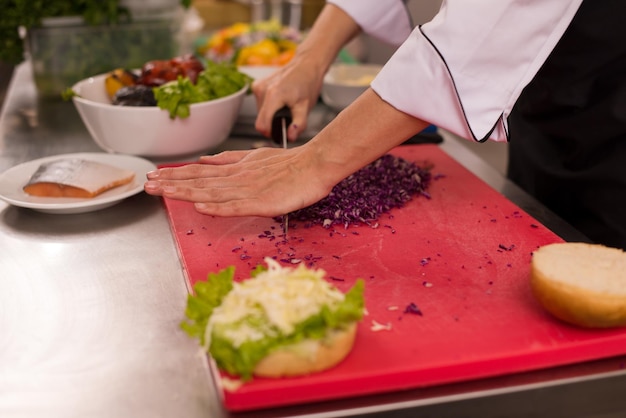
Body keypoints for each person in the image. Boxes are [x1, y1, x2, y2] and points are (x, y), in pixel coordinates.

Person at [144, 0, 626, 250]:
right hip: (544, 102)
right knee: (540, 235)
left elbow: (496, 18)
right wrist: (310, 58)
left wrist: (312, 163)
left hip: (613, 99)